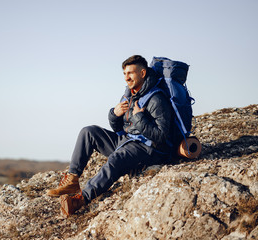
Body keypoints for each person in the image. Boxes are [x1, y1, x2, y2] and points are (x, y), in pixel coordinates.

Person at [47, 55, 173, 217]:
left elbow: (162, 136)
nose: (127, 77)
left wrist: (139, 118)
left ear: (142, 73)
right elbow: (120, 128)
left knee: (116, 159)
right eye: (124, 73)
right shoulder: (131, 94)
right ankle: (72, 180)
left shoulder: (157, 99)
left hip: (148, 148)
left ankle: (80, 200)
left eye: (131, 73)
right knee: (88, 131)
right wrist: (114, 114)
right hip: (127, 141)